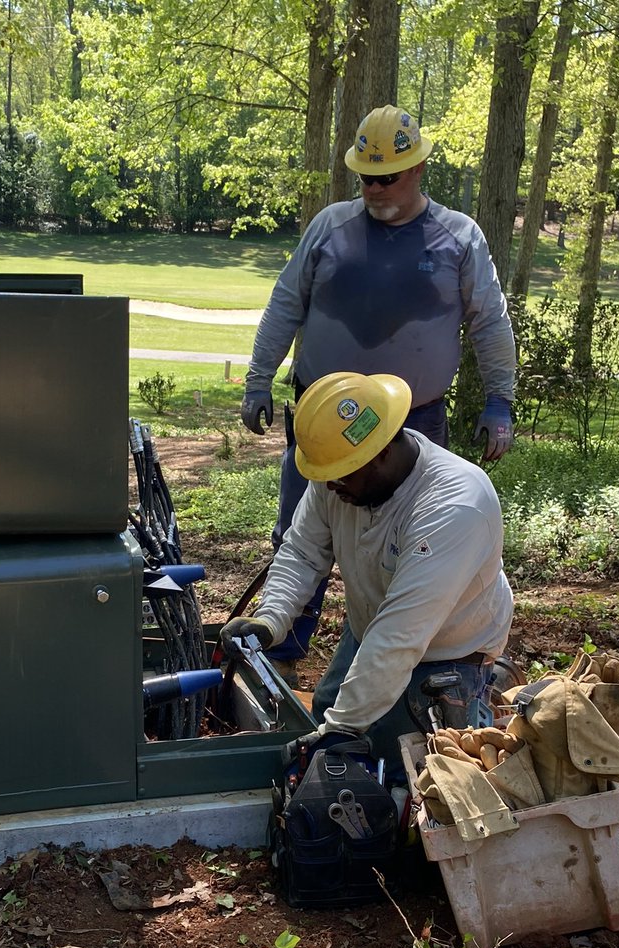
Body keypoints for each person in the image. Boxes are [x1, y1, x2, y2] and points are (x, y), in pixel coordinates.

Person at [241, 104, 516, 681]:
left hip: (412, 423)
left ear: (417, 169)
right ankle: (282, 655)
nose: (373, 188)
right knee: (300, 532)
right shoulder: (330, 227)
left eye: (386, 176)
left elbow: (488, 322)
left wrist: (499, 400)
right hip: (321, 418)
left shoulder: (458, 238)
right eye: (365, 177)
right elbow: (286, 303)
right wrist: (258, 378)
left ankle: (400, 658)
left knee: (411, 545)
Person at [221, 371, 514, 777]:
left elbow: (401, 636)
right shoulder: (338, 474)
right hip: (373, 627)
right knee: (326, 714)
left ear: (381, 452)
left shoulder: (453, 506)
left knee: (407, 769)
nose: (330, 486)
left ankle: (480, 695)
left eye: (341, 474)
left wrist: (341, 730)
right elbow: (303, 552)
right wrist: (271, 620)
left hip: (446, 649)